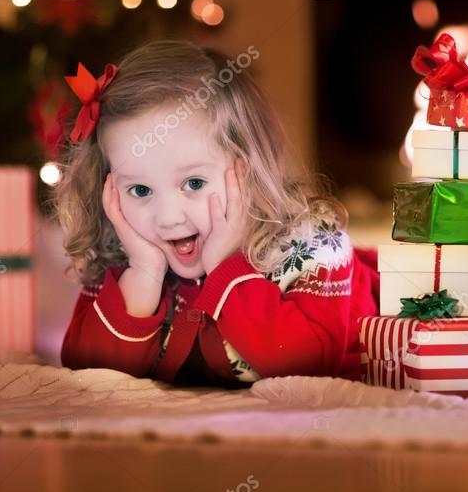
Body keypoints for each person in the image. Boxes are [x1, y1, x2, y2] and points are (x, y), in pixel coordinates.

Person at [54, 40, 379, 387]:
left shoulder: (309, 243)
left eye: (193, 183)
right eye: (141, 190)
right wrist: (144, 274)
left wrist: (226, 266)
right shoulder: (126, 249)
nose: (168, 217)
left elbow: (306, 367)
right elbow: (85, 373)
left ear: (248, 168)